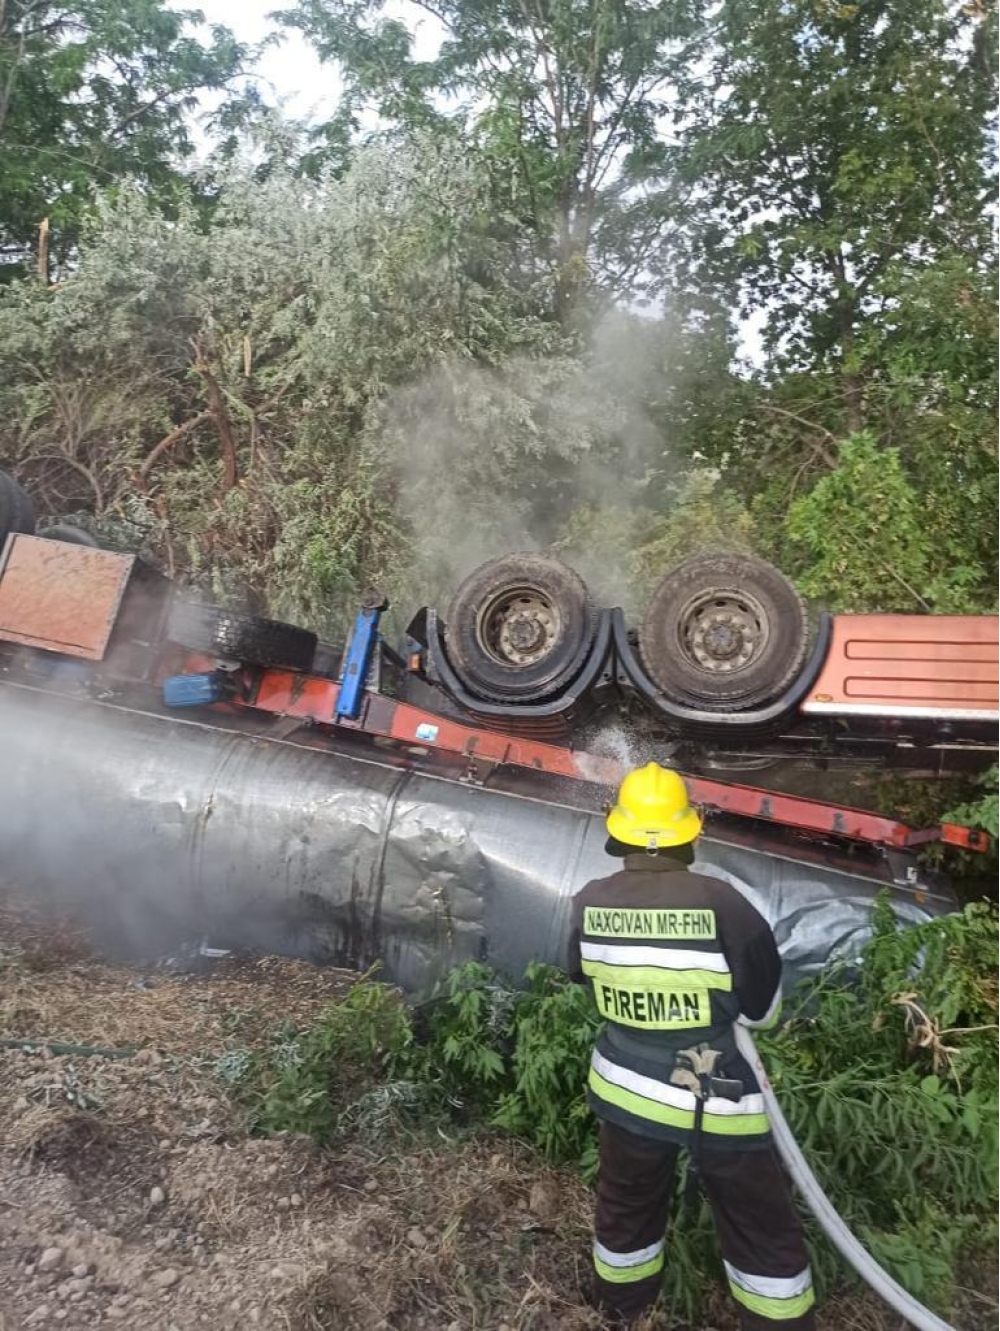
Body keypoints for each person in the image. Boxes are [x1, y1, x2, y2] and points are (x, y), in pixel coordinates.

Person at [567, 762, 816, 1329]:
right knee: (757, 1222)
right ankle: (777, 1320)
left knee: (626, 1205)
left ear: (618, 832)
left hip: (626, 1090)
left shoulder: (589, 901)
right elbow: (762, 1011)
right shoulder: (725, 904)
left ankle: (621, 1308)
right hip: (716, 1095)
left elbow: (583, 975)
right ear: (690, 832)